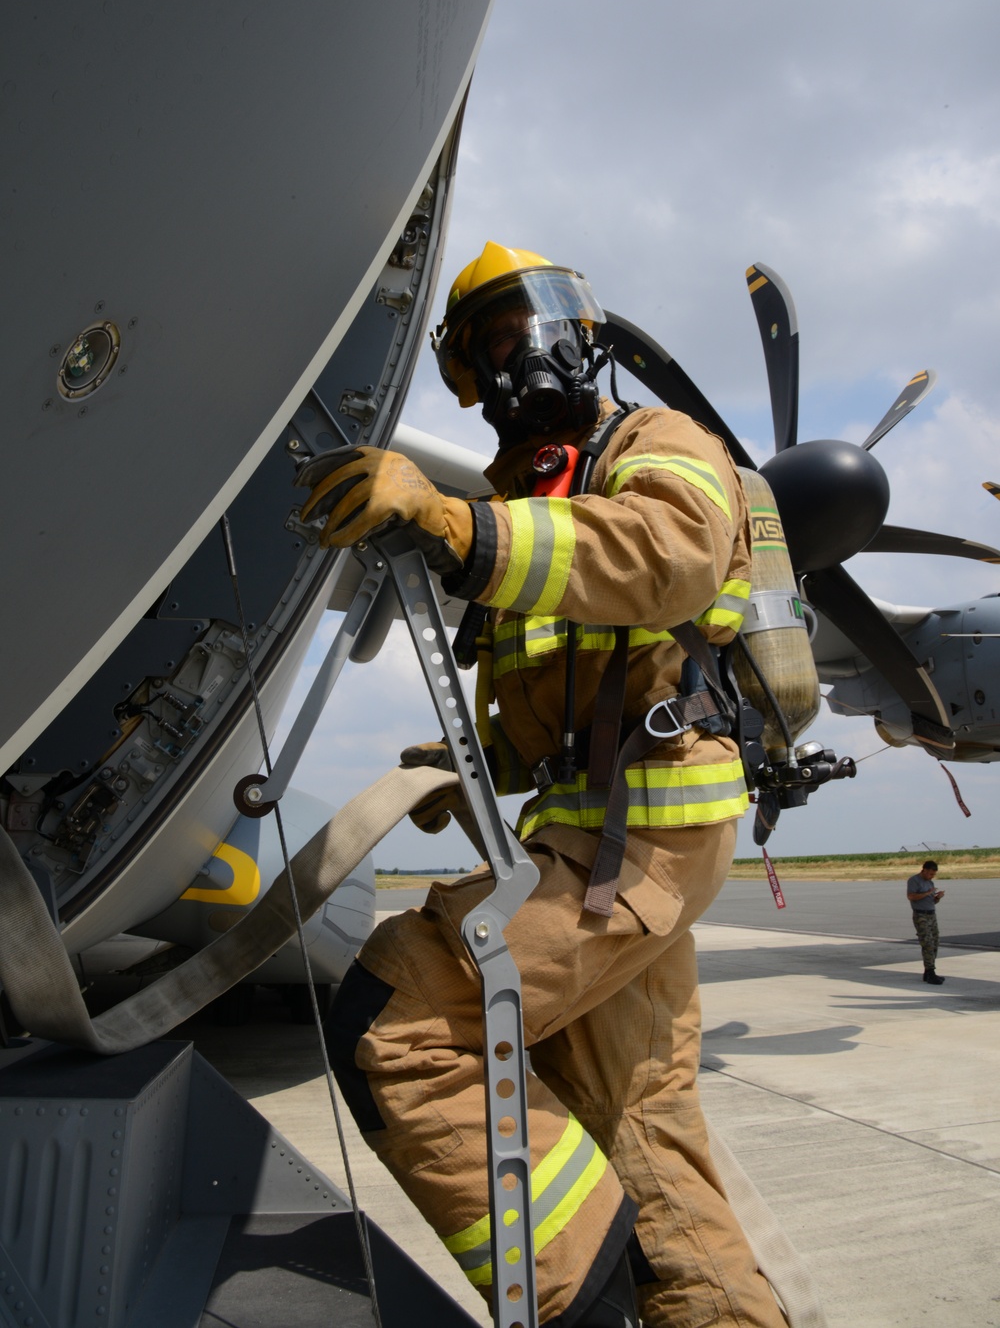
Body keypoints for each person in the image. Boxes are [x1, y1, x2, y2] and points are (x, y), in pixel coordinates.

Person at [308, 243, 785, 1326]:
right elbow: (564, 707)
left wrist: (452, 523)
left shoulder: (653, 444)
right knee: (641, 1135)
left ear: (585, 331)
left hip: (645, 837)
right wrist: (468, 768)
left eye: (533, 325)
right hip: (596, 837)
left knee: (399, 1018)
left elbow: (668, 553)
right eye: (490, 344)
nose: (519, 355)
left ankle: (573, 1299)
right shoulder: (529, 494)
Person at [907, 858, 945, 984]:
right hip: (921, 915)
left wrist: (937, 897)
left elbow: (931, 901)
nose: (931, 876)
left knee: (934, 942)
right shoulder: (914, 881)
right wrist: (927, 893)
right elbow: (911, 896)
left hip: (931, 914)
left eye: (934, 875)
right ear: (924, 870)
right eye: (930, 874)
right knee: (927, 942)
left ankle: (929, 971)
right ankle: (930, 971)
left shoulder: (930, 883)